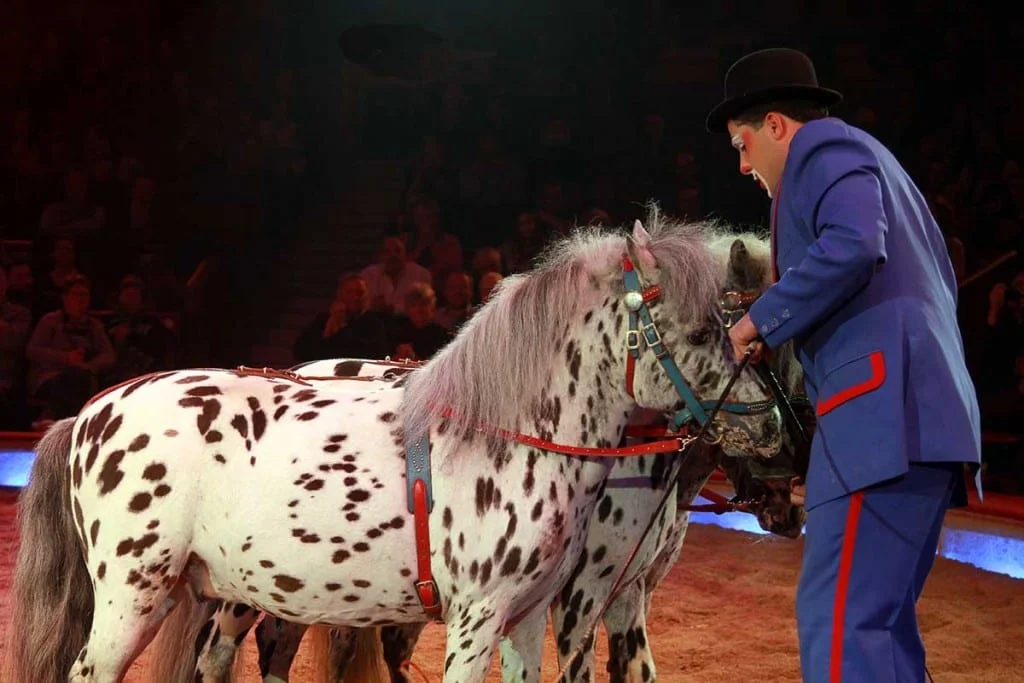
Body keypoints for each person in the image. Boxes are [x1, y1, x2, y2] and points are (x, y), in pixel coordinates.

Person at [706, 48, 982, 682]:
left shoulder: (824, 149)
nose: (743, 165)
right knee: (879, 629)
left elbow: (854, 245)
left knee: (841, 623)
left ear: (776, 125)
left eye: (742, 144)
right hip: (921, 421)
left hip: (879, 427)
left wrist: (758, 320)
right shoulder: (882, 169)